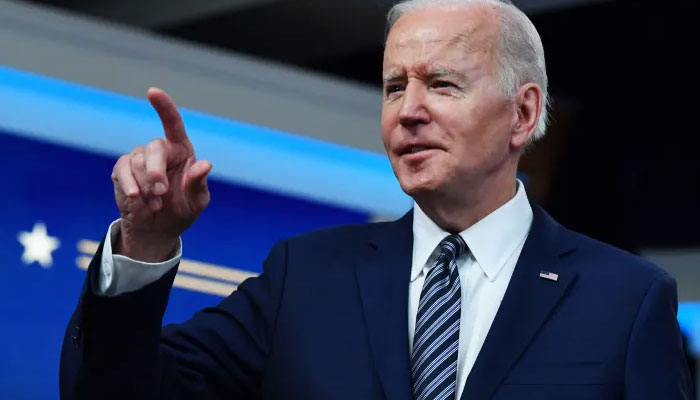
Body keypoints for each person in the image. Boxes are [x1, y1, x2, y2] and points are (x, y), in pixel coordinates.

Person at [59, 0, 692, 398]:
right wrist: (146, 242)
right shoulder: (304, 278)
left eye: (441, 84)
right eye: (394, 87)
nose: (408, 112)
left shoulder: (626, 301)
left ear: (523, 114)